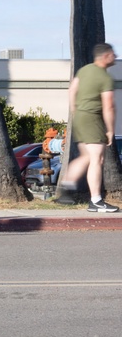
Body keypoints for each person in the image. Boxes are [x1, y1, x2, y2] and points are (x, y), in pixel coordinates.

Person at [56, 42, 119, 212]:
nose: (116, 56)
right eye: (113, 54)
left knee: (86, 157)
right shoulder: (104, 77)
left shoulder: (84, 70)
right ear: (105, 56)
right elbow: (109, 106)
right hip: (92, 119)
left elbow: (72, 90)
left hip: (80, 118)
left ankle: (66, 190)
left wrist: (75, 110)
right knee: (97, 159)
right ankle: (96, 201)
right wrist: (110, 129)